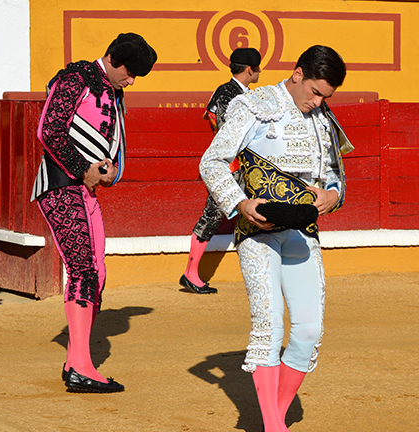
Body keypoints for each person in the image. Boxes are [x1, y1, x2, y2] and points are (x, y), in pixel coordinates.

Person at [199, 45, 353, 432]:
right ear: (298, 73)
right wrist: (238, 203)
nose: (318, 103)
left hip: (303, 231)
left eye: (326, 97)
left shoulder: (322, 119)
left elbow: (336, 176)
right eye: (316, 92)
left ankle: (275, 423)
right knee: (268, 327)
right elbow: (212, 161)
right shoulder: (253, 104)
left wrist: (332, 196)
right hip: (258, 232)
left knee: (308, 330)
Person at [32, 33, 156, 392]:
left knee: (96, 271)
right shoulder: (76, 79)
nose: (131, 80)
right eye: (130, 73)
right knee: (84, 269)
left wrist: (112, 172)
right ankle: (82, 367)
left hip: (83, 189)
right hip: (60, 185)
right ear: (114, 60)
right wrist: (82, 168)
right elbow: (49, 130)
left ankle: (76, 359)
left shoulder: (112, 91)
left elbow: (114, 143)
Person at [180, 47, 262, 294]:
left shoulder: (237, 93)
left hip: (239, 165)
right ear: (250, 69)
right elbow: (227, 131)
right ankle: (190, 273)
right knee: (213, 214)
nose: (259, 71)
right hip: (229, 166)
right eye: (258, 67)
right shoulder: (230, 94)